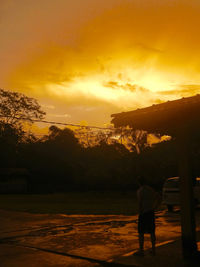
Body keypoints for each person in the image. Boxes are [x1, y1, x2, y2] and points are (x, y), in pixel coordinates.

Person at [134, 176, 160, 256]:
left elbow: (140, 203)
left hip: (144, 213)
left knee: (141, 232)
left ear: (139, 183)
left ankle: (141, 250)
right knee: (152, 231)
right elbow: (158, 197)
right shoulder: (150, 190)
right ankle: (153, 249)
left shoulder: (140, 191)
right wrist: (155, 207)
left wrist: (139, 212)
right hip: (151, 212)